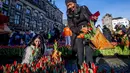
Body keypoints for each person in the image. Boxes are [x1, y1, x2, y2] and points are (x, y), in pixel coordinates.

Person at [65, 0, 98, 69]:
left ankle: (90, 69)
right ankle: (80, 69)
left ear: (75, 3)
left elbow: (91, 19)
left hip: (88, 33)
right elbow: (71, 27)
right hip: (78, 35)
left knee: (89, 54)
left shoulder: (84, 8)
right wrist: (80, 29)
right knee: (80, 55)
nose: (69, 7)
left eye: (70, 4)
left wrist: (94, 19)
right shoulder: (69, 15)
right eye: (67, 6)